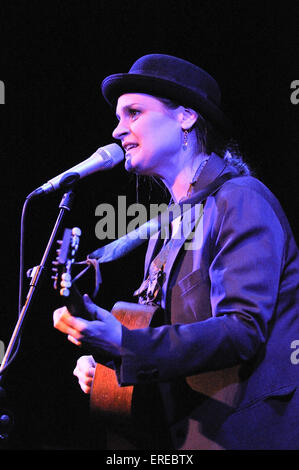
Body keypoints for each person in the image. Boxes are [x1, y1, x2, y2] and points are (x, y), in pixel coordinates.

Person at [53, 54, 299, 450]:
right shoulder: (166, 228)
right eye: (119, 117)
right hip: (190, 436)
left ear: (186, 117)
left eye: (134, 112)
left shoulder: (241, 199)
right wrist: (107, 361)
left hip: (249, 433)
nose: (118, 130)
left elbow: (242, 330)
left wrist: (124, 344)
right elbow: (166, 338)